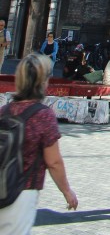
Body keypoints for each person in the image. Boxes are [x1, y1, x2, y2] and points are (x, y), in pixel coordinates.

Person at [0, 53, 77, 234]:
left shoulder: (5, 110)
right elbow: (54, 162)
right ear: (42, 82)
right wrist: (67, 191)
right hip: (23, 191)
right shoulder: (43, 115)